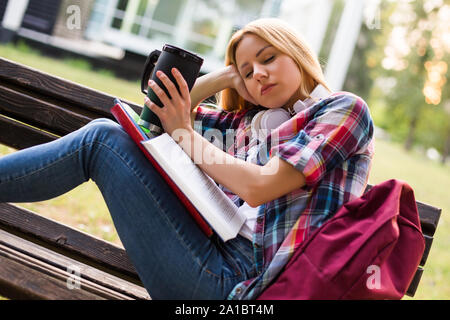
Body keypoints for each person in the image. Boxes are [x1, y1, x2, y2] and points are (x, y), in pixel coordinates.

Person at [0, 18, 374, 300]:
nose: (259, 73)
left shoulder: (343, 110)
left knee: (101, 140)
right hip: (211, 253)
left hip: (241, 287)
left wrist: (185, 133)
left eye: (268, 58)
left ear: (295, 52)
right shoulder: (251, 122)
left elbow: (260, 187)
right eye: (249, 72)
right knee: (107, 134)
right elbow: (159, 117)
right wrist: (228, 75)